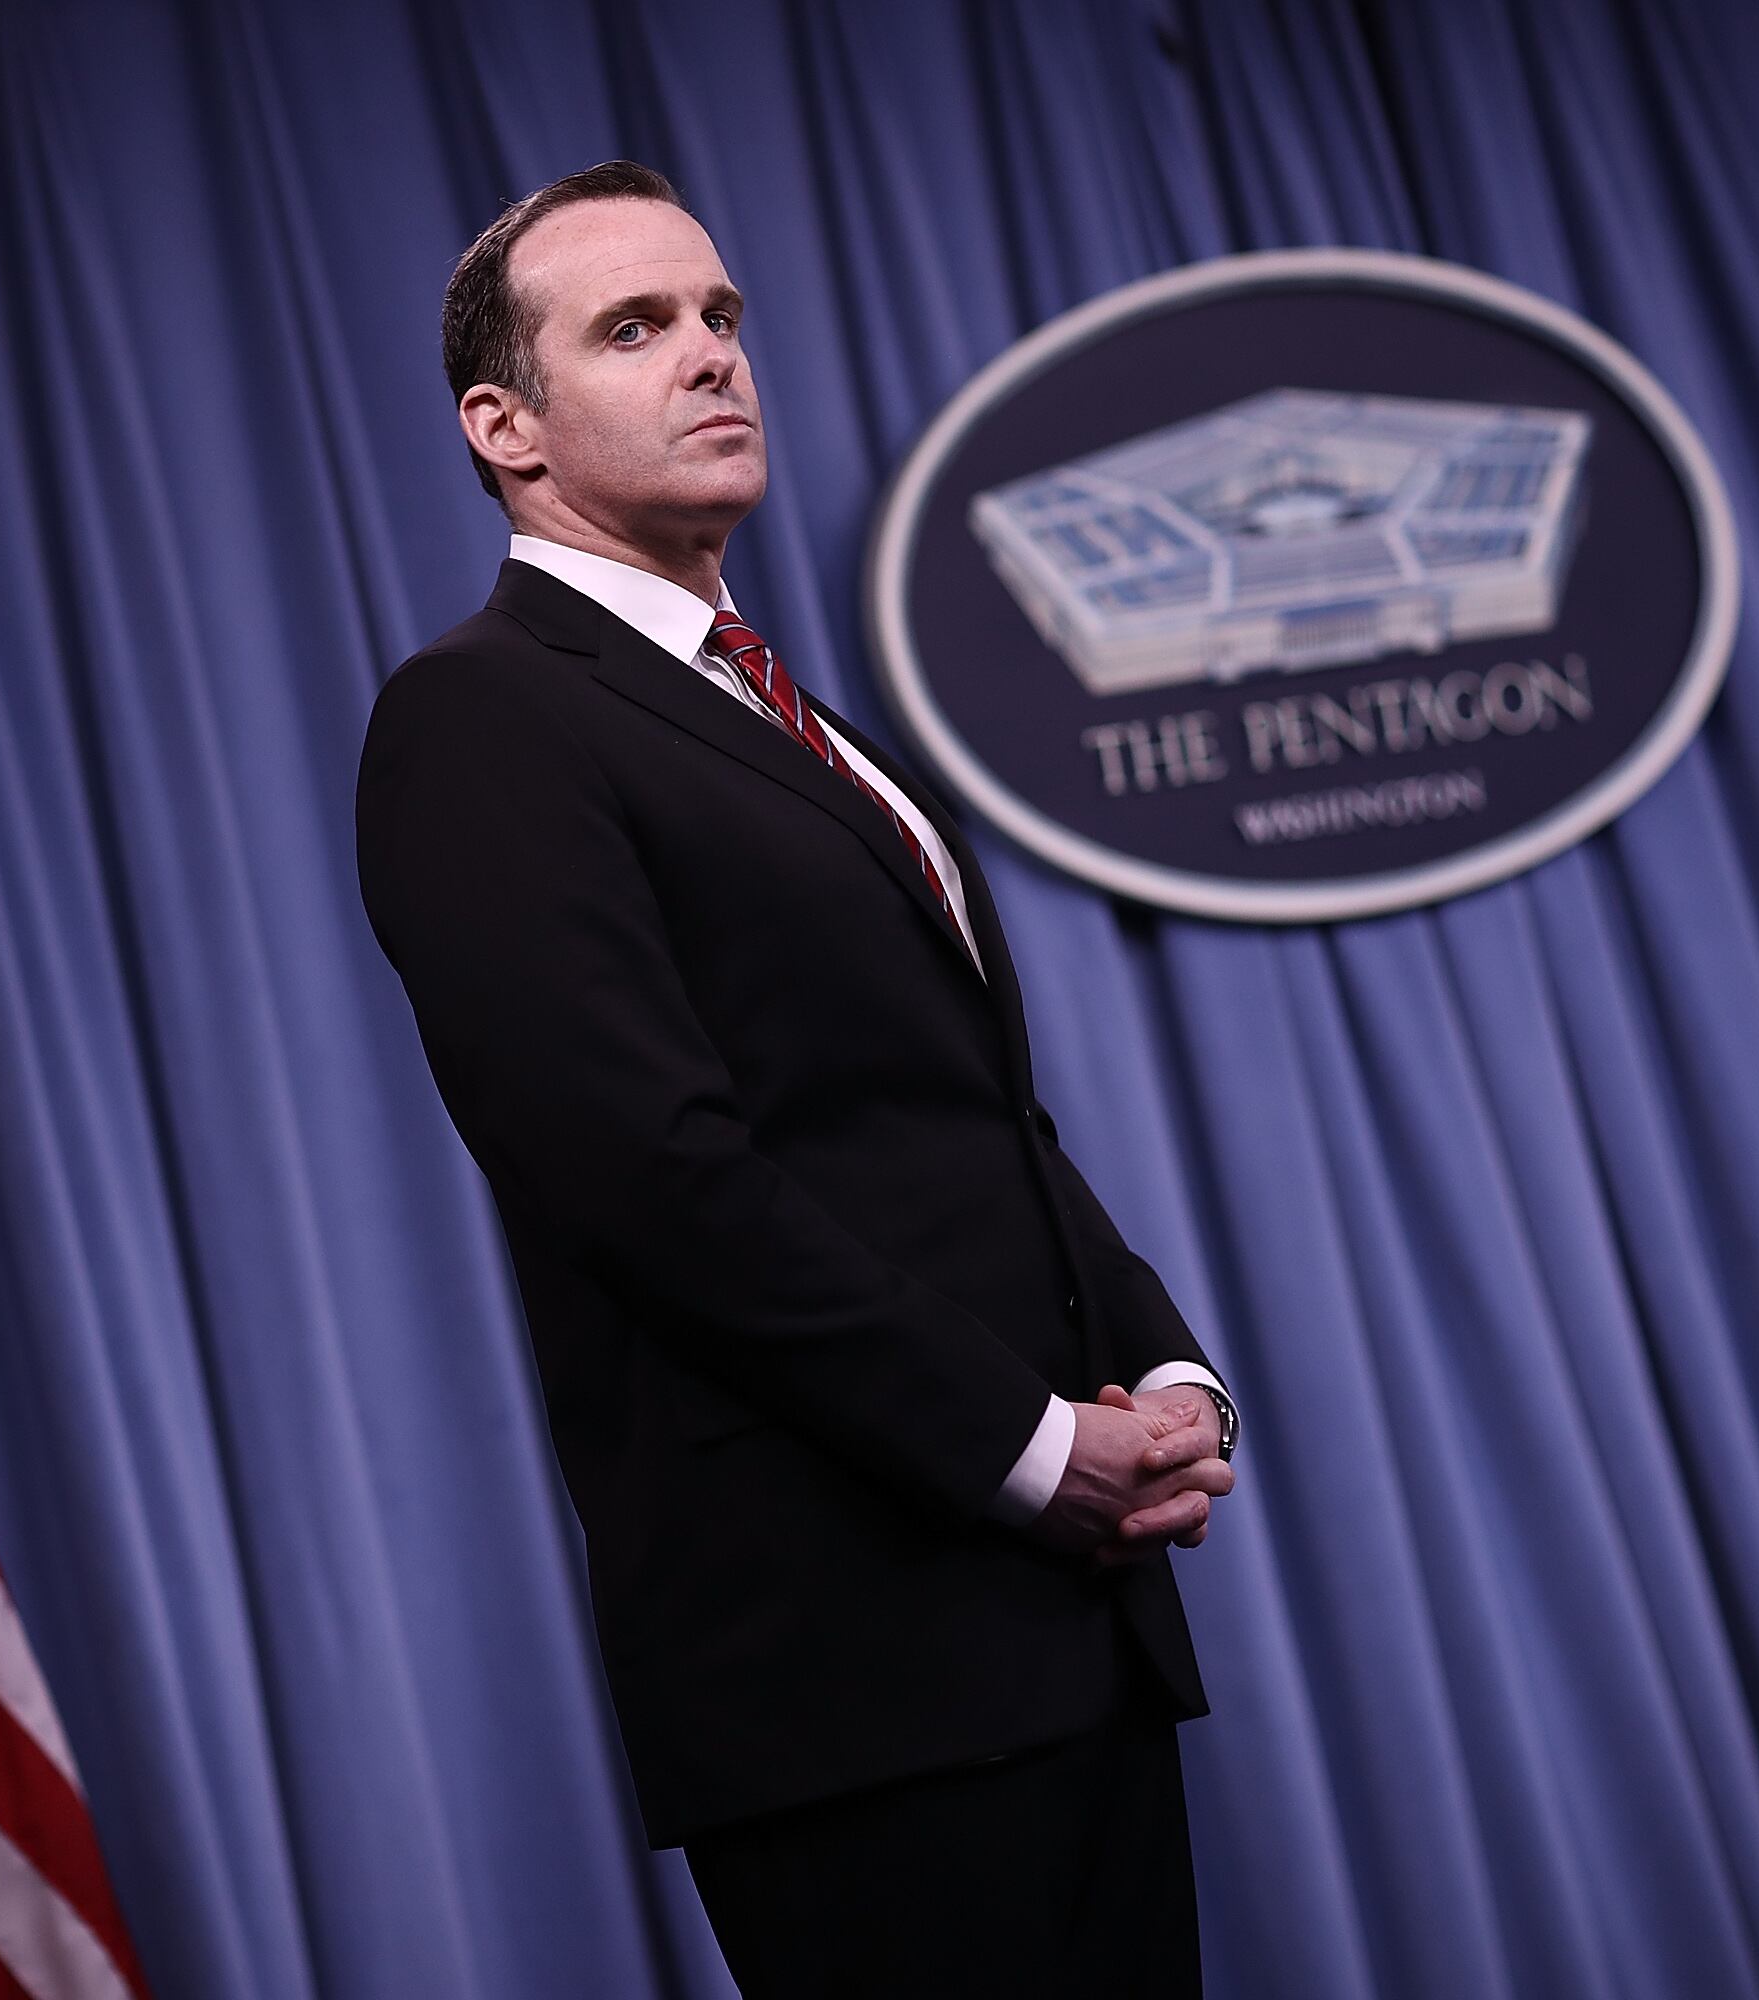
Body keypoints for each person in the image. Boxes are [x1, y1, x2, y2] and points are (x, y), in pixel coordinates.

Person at [354, 161, 1242, 1995]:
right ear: (504, 428)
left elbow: (974, 1123)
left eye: (721, 316)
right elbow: (649, 1170)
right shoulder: (481, 716)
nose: (711, 357)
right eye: (635, 328)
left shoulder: (804, 724)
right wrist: (1029, 1450)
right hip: (853, 1659)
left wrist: (1161, 1371)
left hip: (1060, 1622)